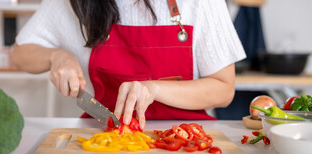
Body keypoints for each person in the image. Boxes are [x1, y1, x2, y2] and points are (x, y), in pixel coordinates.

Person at [12, 0, 246, 130]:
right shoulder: (74, 3)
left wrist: (153, 90)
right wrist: (56, 57)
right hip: (104, 136)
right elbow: (21, 53)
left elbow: (223, 89)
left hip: (185, 140)